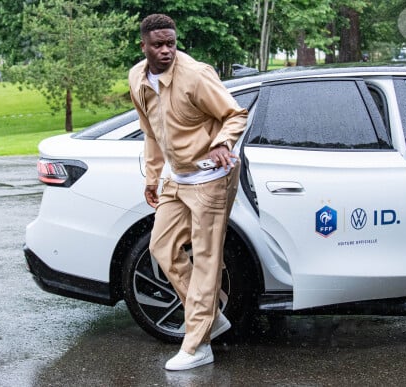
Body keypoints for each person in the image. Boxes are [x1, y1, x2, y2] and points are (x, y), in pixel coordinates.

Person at [128, 14, 248, 371]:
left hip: (212, 176)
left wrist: (222, 142)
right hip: (175, 178)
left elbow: (235, 114)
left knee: (208, 258)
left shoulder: (195, 75)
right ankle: (210, 315)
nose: (166, 51)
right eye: (158, 45)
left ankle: (197, 344)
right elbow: (151, 131)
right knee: (161, 247)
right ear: (144, 46)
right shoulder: (138, 77)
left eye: (171, 44)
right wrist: (153, 177)